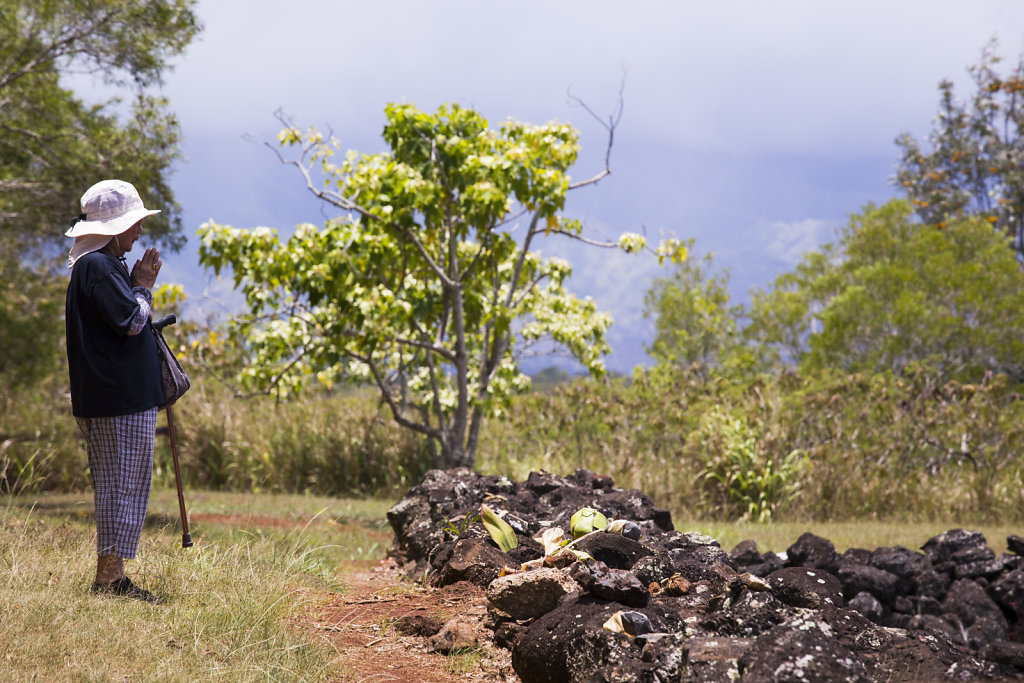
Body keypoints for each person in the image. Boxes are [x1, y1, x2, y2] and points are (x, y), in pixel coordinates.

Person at [65, 179, 165, 604]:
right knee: (119, 483)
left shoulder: (100, 265)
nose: (139, 232)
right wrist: (143, 285)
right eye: (134, 224)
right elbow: (132, 320)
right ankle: (109, 580)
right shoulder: (100, 267)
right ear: (115, 227)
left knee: (122, 482)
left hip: (116, 397)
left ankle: (114, 575)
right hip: (115, 400)